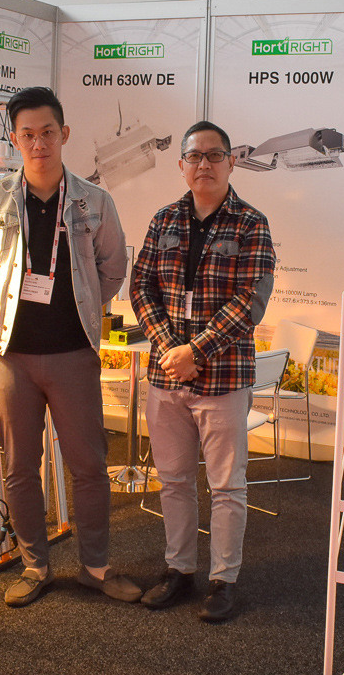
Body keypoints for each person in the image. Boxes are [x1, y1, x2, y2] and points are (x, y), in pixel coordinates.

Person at [0, 86, 141, 607]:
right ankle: (34, 566)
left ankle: (96, 568)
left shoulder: (94, 201)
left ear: (64, 134)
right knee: (20, 467)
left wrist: (75, 305)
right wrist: (9, 308)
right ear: (15, 139)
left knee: (89, 466)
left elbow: (112, 269)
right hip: (10, 356)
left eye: (47, 133)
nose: (38, 143)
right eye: (28, 135)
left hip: (73, 354)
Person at [130, 120, 276, 623]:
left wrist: (197, 351)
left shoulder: (251, 223)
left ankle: (223, 580)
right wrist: (171, 348)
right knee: (173, 481)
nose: (204, 164)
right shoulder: (164, 219)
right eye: (194, 156)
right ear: (182, 165)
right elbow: (141, 287)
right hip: (166, 377)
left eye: (214, 155)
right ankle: (179, 570)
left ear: (231, 162)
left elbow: (250, 301)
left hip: (223, 378)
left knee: (227, 485)